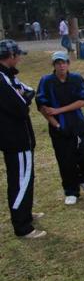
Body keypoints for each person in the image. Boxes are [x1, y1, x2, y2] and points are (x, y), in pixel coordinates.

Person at [36, 51, 84, 206]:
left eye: (64, 62)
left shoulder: (76, 79)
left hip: (78, 124)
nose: (61, 65)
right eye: (58, 63)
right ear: (54, 65)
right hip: (59, 127)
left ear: (68, 64)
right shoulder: (46, 81)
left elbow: (82, 101)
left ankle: (83, 178)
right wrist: (56, 124)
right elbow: (42, 106)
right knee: (65, 160)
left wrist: (58, 110)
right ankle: (71, 191)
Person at [0, 40, 45, 239]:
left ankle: (24, 212)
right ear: (10, 56)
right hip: (15, 139)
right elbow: (20, 107)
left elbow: (29, 90)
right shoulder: (2, 79)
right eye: (17, 55)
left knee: (25, 178)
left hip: (19, 137)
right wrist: (22, 98)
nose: (19, 58)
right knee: (20, 179)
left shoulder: (8, 76)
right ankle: (23, 226)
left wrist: (22, 96)